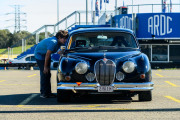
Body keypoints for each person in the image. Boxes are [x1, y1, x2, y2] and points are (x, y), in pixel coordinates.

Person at [34, 30, 69, 98]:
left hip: (46, 55)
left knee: (48, 74)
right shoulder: (53, 42)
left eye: (66, 38)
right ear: (59, 37)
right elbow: (48, 54)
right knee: (44, 73)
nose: (65, 40)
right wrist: (45, 67)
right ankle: (44, 93)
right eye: (64, 38)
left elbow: (58, 51)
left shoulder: (59, 42)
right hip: (40, 55)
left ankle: (48, 92)